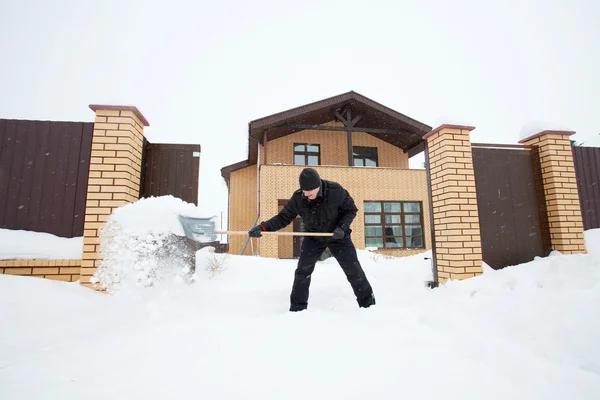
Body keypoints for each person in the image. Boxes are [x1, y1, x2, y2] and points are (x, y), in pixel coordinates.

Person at [248, 167, 376, 312]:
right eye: (304, 191)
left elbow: (351, 209)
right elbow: (283, 218)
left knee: (353, 270)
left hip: (339, 236)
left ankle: (368, 306)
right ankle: (297, 310)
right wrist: (263, 228)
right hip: (313, 237)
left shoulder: (335, 191)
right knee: (303, 271)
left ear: (319, 186)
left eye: (310, 191)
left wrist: (342, 227)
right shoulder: (298, 198)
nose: (307, 194)